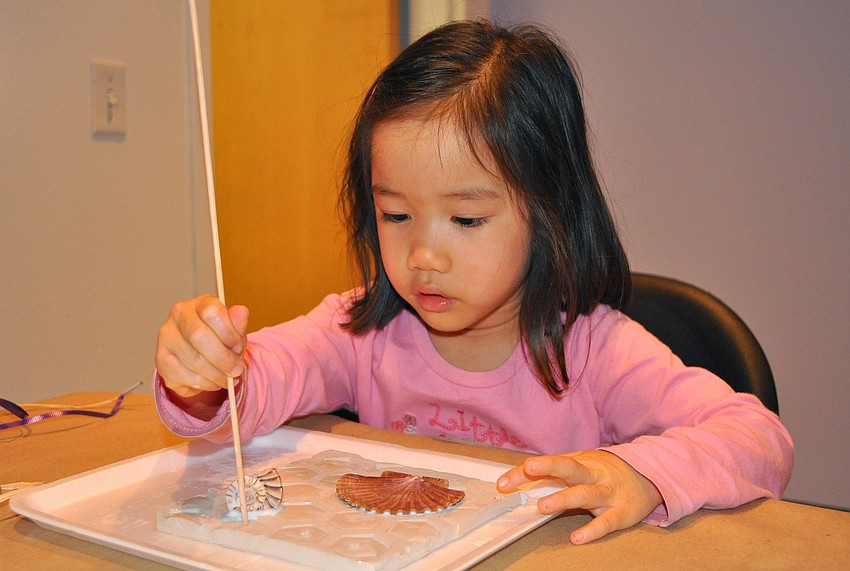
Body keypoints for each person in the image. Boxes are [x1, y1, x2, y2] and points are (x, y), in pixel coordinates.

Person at [154, 20, 793, 545]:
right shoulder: (360, 332)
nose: (424, 255)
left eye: (466, 219)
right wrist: (206, 376)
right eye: (395, 215)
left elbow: (758, 438)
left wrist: (641, 472)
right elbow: (253, 388)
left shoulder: (596, 353)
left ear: (548, 212)